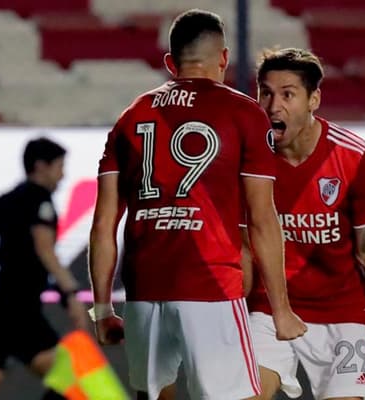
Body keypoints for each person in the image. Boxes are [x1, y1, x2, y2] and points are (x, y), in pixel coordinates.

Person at [87, 9, 307, 400]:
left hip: (145, 286)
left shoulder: (131, 116)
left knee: (153, 395)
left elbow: (104, 224)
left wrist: (103, 310)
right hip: (211, 285)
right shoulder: (243, 113)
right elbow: (261, 220)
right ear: (223, 59)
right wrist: (281, 309)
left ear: (170, 63)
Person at [244, 48, 365, 400]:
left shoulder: (354, 157)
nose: (273, 106)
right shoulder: (246, 157)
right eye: (265, 93)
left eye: (287, 94)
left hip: (342, 313)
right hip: (269, 308)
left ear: (314, 99)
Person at [0, 137, 88, 400]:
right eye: (59, 166)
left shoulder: (9, 198)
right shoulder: (39, 199)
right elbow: (45, 249)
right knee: (73, 380)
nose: (63, 175)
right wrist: (71, 294)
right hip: (20, 309)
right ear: (41, 166)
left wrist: (7, 261)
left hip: (2, 307)